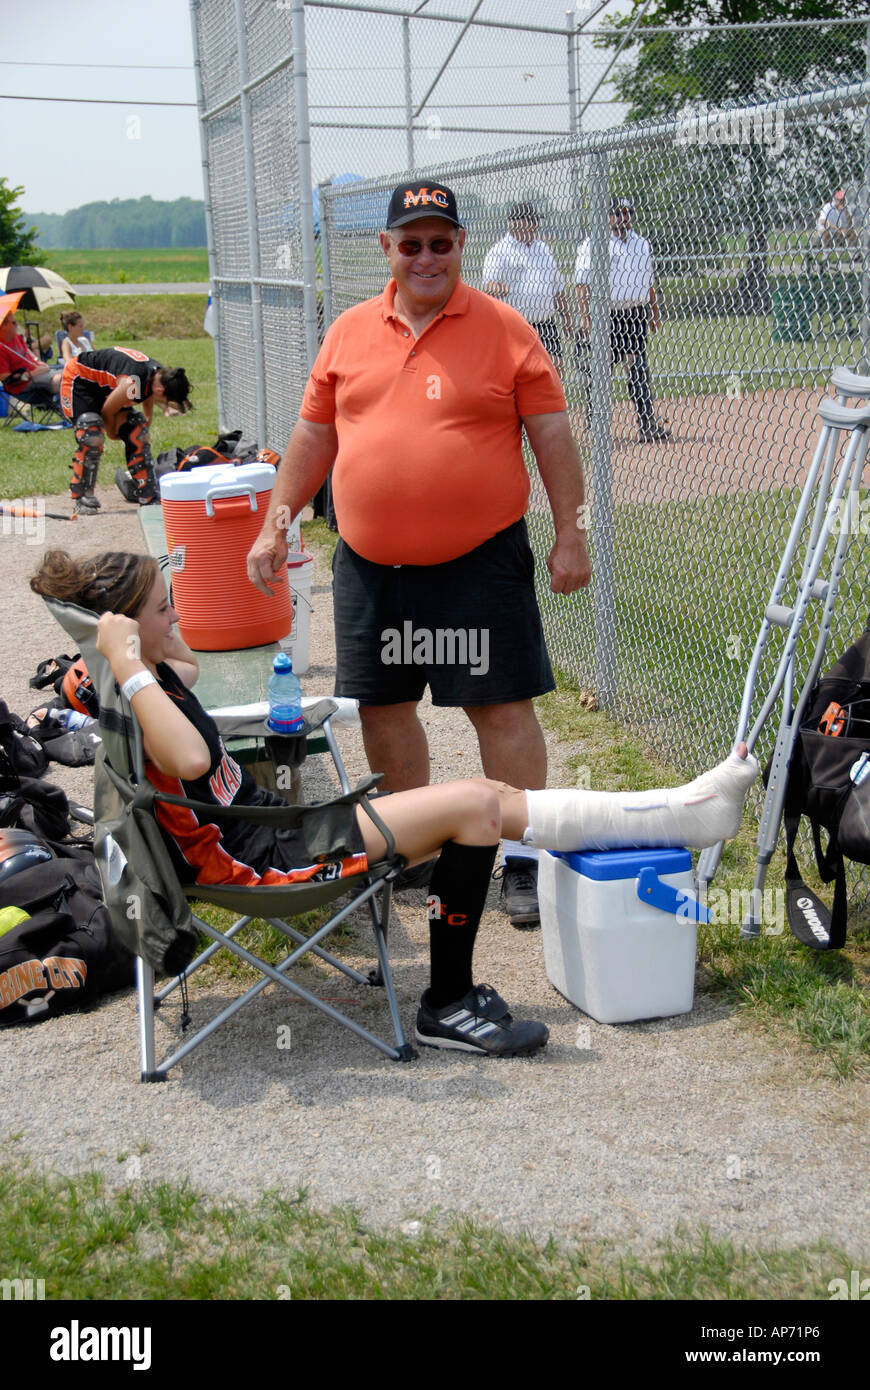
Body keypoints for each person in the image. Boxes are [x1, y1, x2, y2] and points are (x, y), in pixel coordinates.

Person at [31, 547, 758, 1057]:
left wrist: (122, 646)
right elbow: (189, 756)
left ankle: (680, 812)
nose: (174, 614)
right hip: (267, 862)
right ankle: (448, 1002)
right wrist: (120, 661)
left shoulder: (150, 679)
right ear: (127, 631)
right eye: (163, 607)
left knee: (492, 799)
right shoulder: (137, 699)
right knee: (477, 806)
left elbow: (182, 661)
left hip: (281, 832)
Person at [247, 179, 591, 931]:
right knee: (385, 707)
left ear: (462, 244)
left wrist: (573, 531)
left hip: (478, 563)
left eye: (442, 242)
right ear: (387, 250)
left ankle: (520, 854)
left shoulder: (506, 329)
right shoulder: (347, 333)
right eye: (412, 244)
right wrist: (278, 521)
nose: (427, 256)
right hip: (372, 568)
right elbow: (313, 437)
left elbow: (554, 437)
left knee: (498, 708)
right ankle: (416, 848)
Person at [574, 196, 671, 444]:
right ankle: (596, 422)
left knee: (637, 365)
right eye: (618, 213)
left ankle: (646, 422)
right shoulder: (595, 243)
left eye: (628, 212)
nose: (623, 218)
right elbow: (582, 283)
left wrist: (654, 310)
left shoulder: (641, 243)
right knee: (601, 370)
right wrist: (585, 317)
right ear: (607, 216)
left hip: (634, 313)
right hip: (606, 315)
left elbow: (649, 280)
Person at [58, 346, 192, 513]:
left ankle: (147, 492)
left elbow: (147, 394)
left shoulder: (156, 375)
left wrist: (147, 419)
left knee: (138, 430)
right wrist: (112, 433)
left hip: (105, 386)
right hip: (79, 380)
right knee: (91, 432)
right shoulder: (132, 383)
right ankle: (82, 494)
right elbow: (108, 410)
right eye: (167, 399)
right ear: (161, 390)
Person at [482, 202, 573, 366]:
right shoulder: (500, 251)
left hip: (545, 323)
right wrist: (500, 288)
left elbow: (557, 288)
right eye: (532, 220)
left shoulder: (542, 248)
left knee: (555, 367)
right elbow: (489, 285)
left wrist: (566, 318)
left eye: (536, 221)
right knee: (521, 369)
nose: (536, 225)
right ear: (516, 223)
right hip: (516, 325)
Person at [0, 295, 63, 407]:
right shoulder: (1, 348)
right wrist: (33, 373)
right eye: (14, 323)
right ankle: (71, 411)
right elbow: (6, 379)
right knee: (62, 380)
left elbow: (29, 355)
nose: (17, 325)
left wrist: (38, 362)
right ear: (3, 326)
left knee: (72, 374)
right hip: (23, 384)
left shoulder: (17, 338)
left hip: (40, 373)